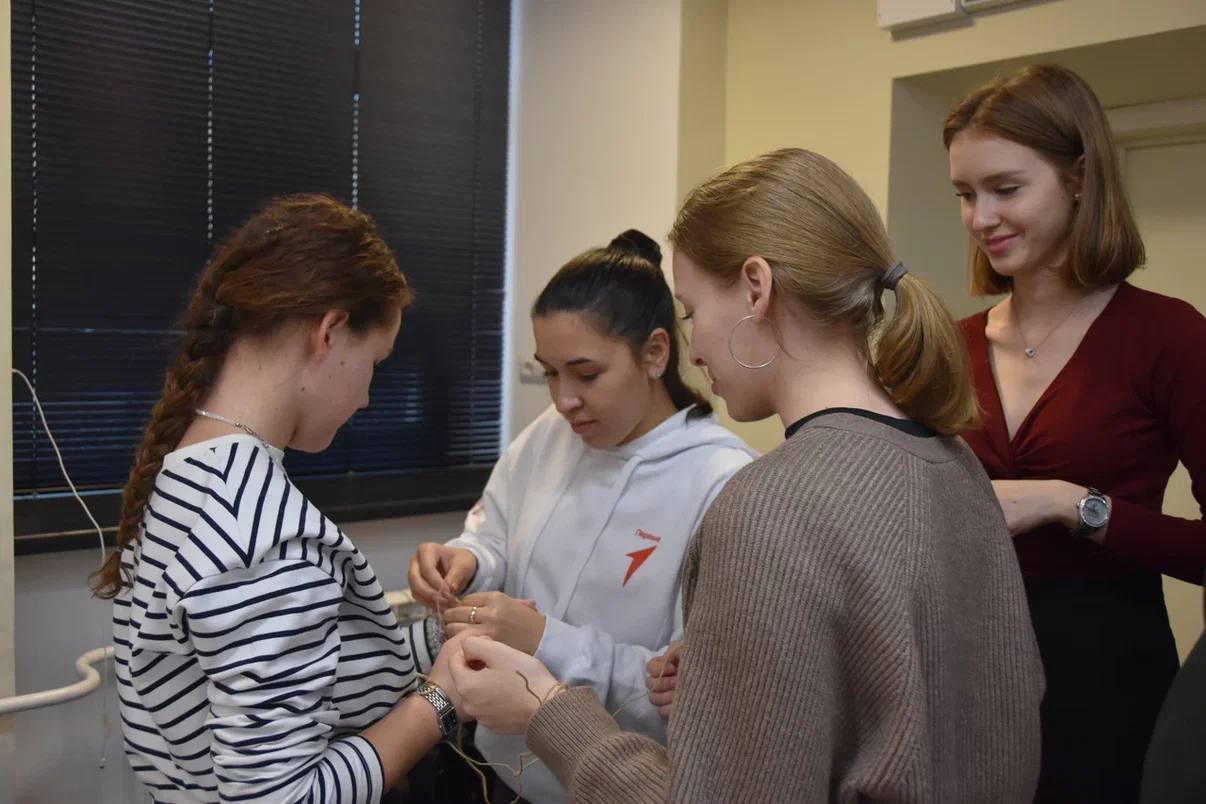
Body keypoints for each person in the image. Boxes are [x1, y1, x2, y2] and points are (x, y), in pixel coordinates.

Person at [443, 148, 1045, 802]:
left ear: (756, 289)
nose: (693, 349)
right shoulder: (956, 468)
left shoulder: (762, 506)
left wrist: (547, 710)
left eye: (694, 311)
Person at [100, 195, 474, 802]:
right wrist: (441, 701)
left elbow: (294, 675)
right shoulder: (265, 535)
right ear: (330, 332)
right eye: (375, 363)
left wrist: (440, 640)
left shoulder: (183, 477)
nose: (366, 399)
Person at [407, 230, 756, 804]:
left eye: (586, 374)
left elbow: (688, 690)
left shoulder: (722, 482)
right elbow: (495, 532)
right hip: (502, 773)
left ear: (655, 354)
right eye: (549, 372)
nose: (563, 399)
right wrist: (467, 560)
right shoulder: (553, 434)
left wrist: (546, 641)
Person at [945, 64, 1206, 803]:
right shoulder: (952, 347)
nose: (980, 217)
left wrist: (1071, 503)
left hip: (1110, 687)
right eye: (965, 195)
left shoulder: (1167, 336)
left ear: (1081, 180)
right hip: (969, 677)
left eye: (1005, 189)